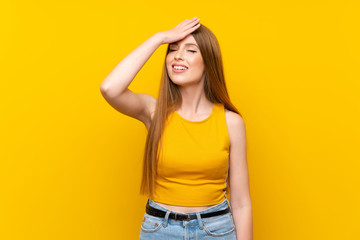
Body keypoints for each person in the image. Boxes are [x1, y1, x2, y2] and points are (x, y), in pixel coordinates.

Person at [100, 17, 253, 240]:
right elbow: (110, 88)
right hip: (160, 230)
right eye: (172, 50)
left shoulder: (231, 122)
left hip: (216, 230)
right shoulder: (154, 112)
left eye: (191, 50)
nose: (177, 55)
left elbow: (241, 203)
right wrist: (159, 38)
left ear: (208, 61)